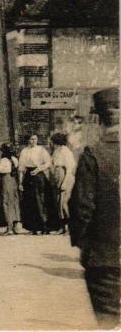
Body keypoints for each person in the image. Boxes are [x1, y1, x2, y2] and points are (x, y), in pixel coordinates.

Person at [69, 88, 120, 328]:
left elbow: (82, 206)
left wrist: (84, 244)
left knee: (110, 323)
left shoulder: (94, 154)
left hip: (106, 257)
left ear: (98, 118)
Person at [18, 133, 52, 234]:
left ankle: (44, 226)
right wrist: (20, 182)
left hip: (38, 175)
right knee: (29, 201)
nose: (33, 141)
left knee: (40, 200)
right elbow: (21, 167)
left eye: (35, 139)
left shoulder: (41, 150)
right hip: (28, 176)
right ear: (28, 140)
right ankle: (33, 227)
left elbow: (48, 162)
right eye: (31, 139)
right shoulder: (24, 151)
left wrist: (38, 169)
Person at [51, 132, 76, 234]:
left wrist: (65, 182)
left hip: (65, 176)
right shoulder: (57, 151)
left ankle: (70, 227)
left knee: (64, 203)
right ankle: (62, 227)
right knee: (58, 202)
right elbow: (51, 162)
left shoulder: (66, 152)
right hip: (57, 175)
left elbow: (70, 168)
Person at [0, 143, 21, 235]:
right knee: (14, 201)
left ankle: (9, 227)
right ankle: (15, 226)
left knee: (6, 202)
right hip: (13, 180)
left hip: (6, 179)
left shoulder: (4, 160)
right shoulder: (14, 159)